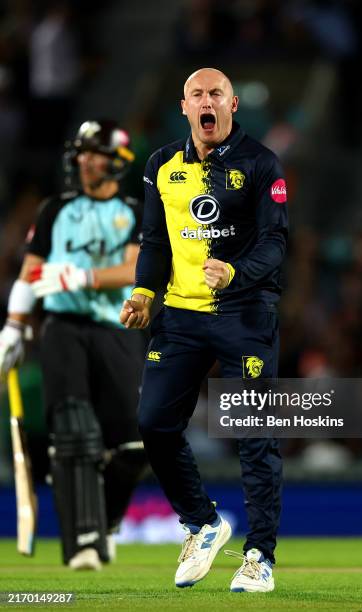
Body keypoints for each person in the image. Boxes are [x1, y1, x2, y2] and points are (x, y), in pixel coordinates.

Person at [120, 68, 288, 592]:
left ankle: (259, 556)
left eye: (217, 94)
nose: (207, 102)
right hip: (181, 316)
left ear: (233, 104)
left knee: (255, 436)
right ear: (186, 106)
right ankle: (203, 522)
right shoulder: (160, 165)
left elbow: (277, 242)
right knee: (153, 423)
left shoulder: (261, 164)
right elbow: (154, 242)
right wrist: (144, 293)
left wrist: (235, 271)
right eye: (198, 95)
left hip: (245, 314)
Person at [0, 119, 148, 570]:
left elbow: (136, 270)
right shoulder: (55, 210)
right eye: (80, 152)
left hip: (117, 330)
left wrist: (81, 276)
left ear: (117, 161)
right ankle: (81, 542)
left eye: (93, 152)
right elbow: (33, 269)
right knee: (74, 432)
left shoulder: (135, 211)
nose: (84, 160)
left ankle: (106, 521)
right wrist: (14, 326)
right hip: (63, 328)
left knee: (135, 444)